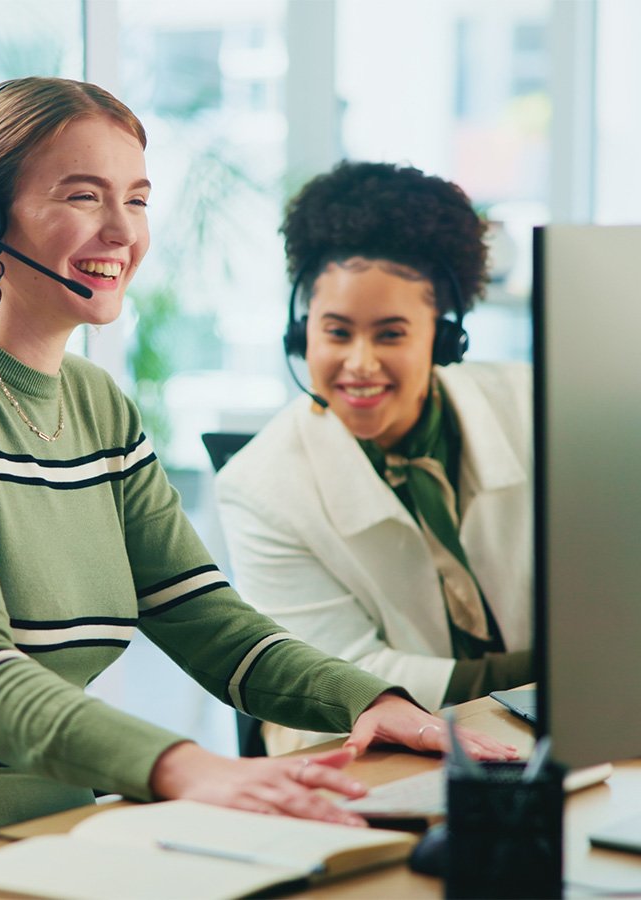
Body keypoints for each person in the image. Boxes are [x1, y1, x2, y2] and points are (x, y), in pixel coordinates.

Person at [0, 80, 515, 853]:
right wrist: (184, 767)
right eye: (84, 196)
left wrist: (375, 702)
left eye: (137, 200)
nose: (121, 231)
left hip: (64, 830)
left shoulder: (96, 404)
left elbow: (207, 622)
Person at [214, 161, 534, 756]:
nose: (359, 363)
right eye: (337, 333)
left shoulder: (534, 408)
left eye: (390, 334)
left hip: (536, 730)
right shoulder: (258, 486)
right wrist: (558, 670)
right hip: (359, 738)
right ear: (301, 332)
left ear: (442, 338)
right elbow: (344, 669)